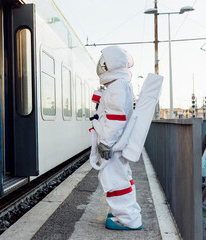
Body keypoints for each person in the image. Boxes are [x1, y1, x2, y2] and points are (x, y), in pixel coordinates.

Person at [89, 46, 142, 230]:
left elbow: (115, 118)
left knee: (114, 181)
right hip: (117, 144)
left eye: (104, 62)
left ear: (110, 65)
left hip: (112, 145)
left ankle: (128, 220)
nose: (101, 66)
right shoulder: (119, 84)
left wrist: (105, 142)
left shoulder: (117, 87)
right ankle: (126, 212)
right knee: (121, 178)